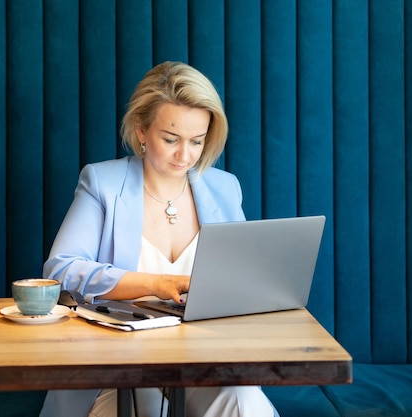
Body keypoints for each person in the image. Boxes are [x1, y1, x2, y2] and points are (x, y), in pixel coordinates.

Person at [39, 61, 279, 417]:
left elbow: (243, 279)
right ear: (141, 130)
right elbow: (61, 271)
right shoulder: (101, 183)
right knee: (145, 407)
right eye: (171, 139)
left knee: (246, 406)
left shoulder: (225, 187)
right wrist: (157, 283)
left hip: (206, 365)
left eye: (197, 141)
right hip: (117, 371)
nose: (185, 156)